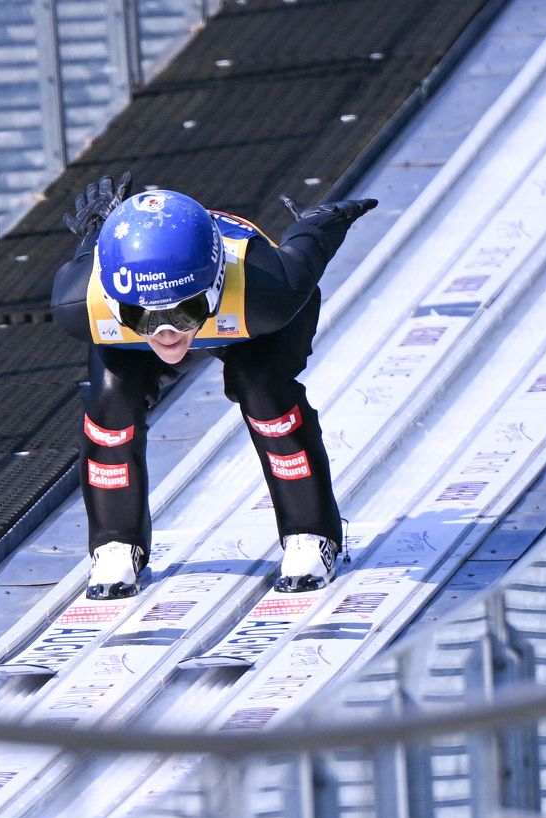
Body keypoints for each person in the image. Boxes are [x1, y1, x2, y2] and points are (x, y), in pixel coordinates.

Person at [50, 174, 376, 600]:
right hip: (192, 316)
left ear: (216, 285)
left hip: (247, 325)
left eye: (186, 311)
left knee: (264, 390)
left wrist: (321, 219)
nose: (167, 334)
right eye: (143, 316)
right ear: (112, 301)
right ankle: (115, 542)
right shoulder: (79, 303)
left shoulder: (268, 291)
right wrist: (100, 227)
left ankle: (312, 534)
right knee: (111, 402)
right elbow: (94, 253)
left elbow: (309, 245)